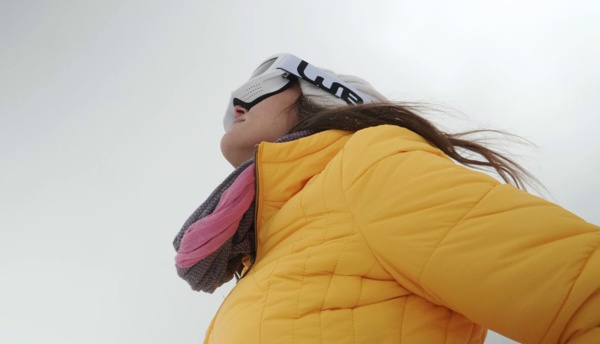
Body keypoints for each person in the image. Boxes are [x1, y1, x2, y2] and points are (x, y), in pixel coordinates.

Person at [173, 53, 599, 343]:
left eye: (261, 85)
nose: (236, 108)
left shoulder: (366, 165)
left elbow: (582, 293)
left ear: (323, 94)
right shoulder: (269, 244)